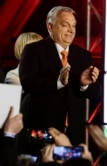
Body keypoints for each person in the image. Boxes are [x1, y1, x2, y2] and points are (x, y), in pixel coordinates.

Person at [19, 6, 101, 151]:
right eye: (65, 25)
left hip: (73, 134)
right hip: (42, 130)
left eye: (74, 25)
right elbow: (28, 83)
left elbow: (96, 93)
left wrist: (84, 85)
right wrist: (58, 82)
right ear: (50, 26)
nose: (71, 30)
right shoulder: (33, 50)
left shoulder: (83, 55)